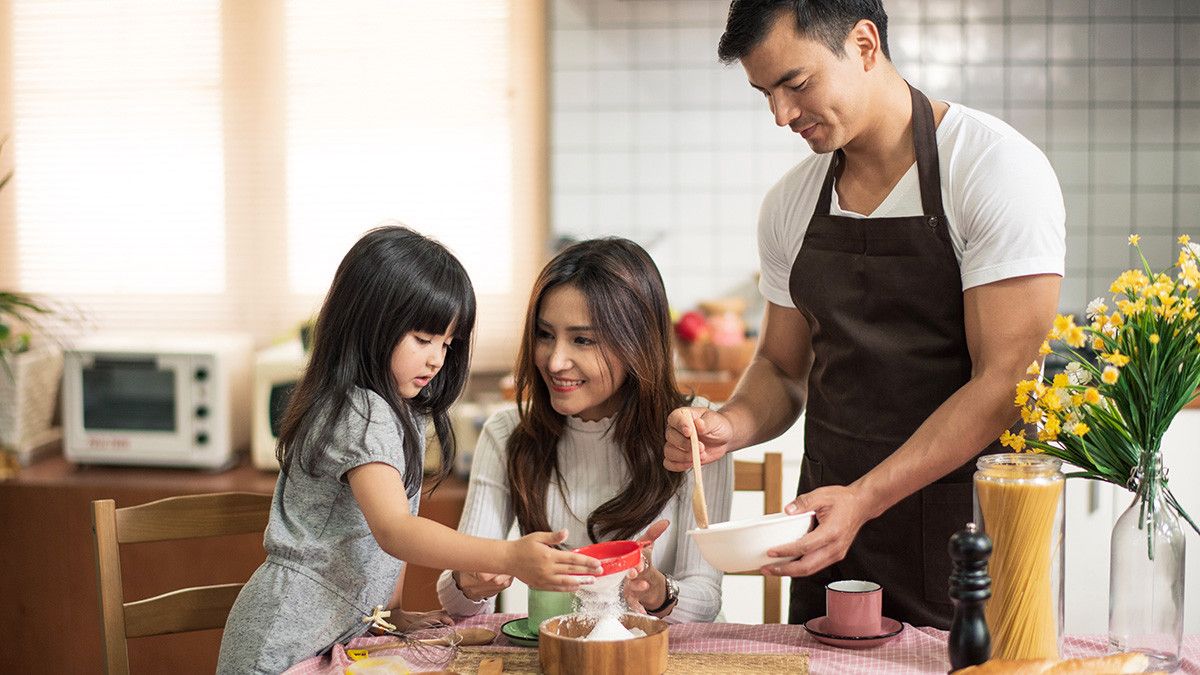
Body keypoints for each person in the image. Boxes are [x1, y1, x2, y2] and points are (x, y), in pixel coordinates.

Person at [663, 0, 1065, 629]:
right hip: (827, 530)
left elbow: (1007, 382)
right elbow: (779, 365)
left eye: (796, 84)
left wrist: (866, 499)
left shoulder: (991, 169)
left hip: (966, 531)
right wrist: (733, 425)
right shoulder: (790, 204)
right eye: (764, 93)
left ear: (864, 43)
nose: (780, 115)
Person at [217, 225, 602, 674]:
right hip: (285, 641)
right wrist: (509, 556)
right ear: (368, 324)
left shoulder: (400, 413)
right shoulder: (358, 411)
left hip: (339, 636)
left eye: (447, 343)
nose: (437, 359)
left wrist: (391, 614)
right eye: (423, 339)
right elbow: (394, 530)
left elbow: (386, 537)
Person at [438, 238, 733, 623]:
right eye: (545, 335)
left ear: (635, 343)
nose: (556, 361)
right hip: (562, 654)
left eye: (583, 340)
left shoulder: (691, 430)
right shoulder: (508, 433)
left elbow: (706, 599)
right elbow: (457, 602)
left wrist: (658, 591)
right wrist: (471, 580)